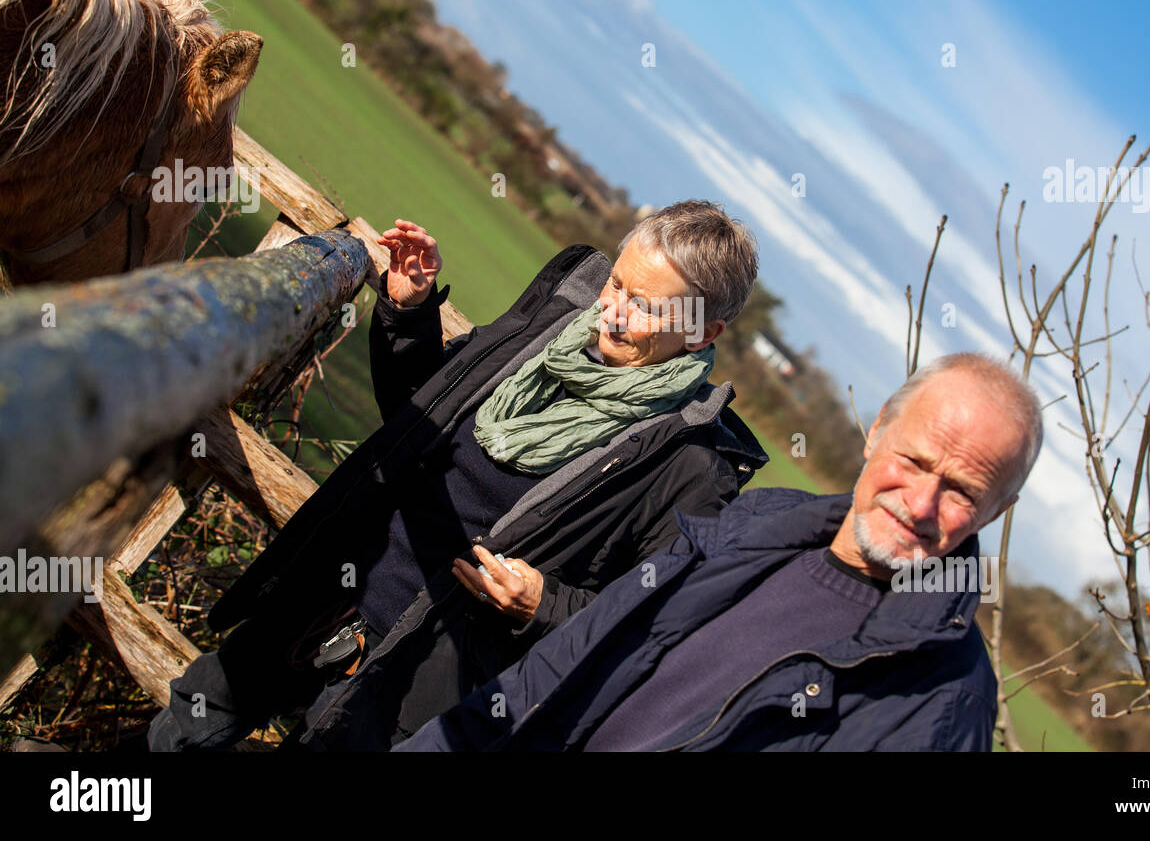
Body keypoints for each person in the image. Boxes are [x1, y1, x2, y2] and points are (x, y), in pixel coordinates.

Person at [149, 200, 767, 751]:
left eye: (645, 306)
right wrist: (408, 313)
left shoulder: (690, 463)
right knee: (182, 727)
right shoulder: (549, 329)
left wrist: (544, 605)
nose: (611, 312)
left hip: (405, 690)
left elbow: (653, 622)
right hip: (328, 596)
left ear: (702, 332)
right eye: (616, 283)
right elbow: (420, 409)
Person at [394, 353, 1043, 752]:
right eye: (915, 460)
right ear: (876, 431)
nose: (921, 503)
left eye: (961, 489)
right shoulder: (748, 527)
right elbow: (552, 670)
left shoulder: (945, 701)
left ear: (999, 511)